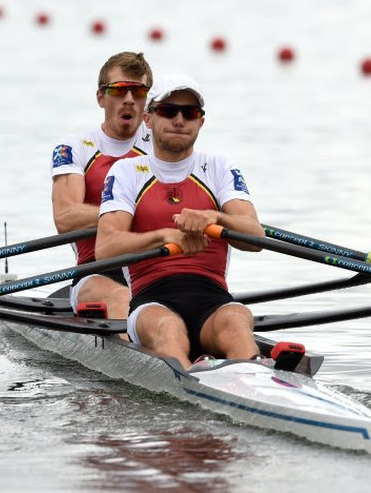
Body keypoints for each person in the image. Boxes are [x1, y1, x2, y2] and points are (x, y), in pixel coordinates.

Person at [95, 74, 265, 369]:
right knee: (168, 330)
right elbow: (106, 248)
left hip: (214, 300)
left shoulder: (219, 168)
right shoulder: (126, 172)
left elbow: (256, 238)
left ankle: (257, 382)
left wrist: (215, 217)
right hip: (151, 302)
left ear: (201, 121)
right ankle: (191, 387)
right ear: (148, 119)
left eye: (190, 113)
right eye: (168, 110)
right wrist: (163, 237)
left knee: (237, 320)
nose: (179, 119)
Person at [51, 52, 153, 319]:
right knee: (125, 298)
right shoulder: (74, 148)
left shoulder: (165, 146)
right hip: (98, 270)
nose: (129, 99)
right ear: (100, 97)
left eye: (138, 91)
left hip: (157, 267)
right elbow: (66, 218)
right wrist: (139, 214)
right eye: (119, 90)